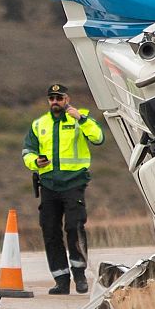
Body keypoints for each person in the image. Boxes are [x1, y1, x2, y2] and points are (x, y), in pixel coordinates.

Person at [22, 83, 104, 295]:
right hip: (48, 184)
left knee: (74, 227)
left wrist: (82, 119)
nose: (55, 102)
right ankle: (61, 279)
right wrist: (34, 161)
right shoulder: (40, 124)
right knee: (50, 230)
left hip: (74, 182)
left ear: (67, 98)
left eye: (59, 98)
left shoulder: (81, 117)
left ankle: (79, 274)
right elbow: (27, 151)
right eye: (52, 98)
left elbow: (98, 138)